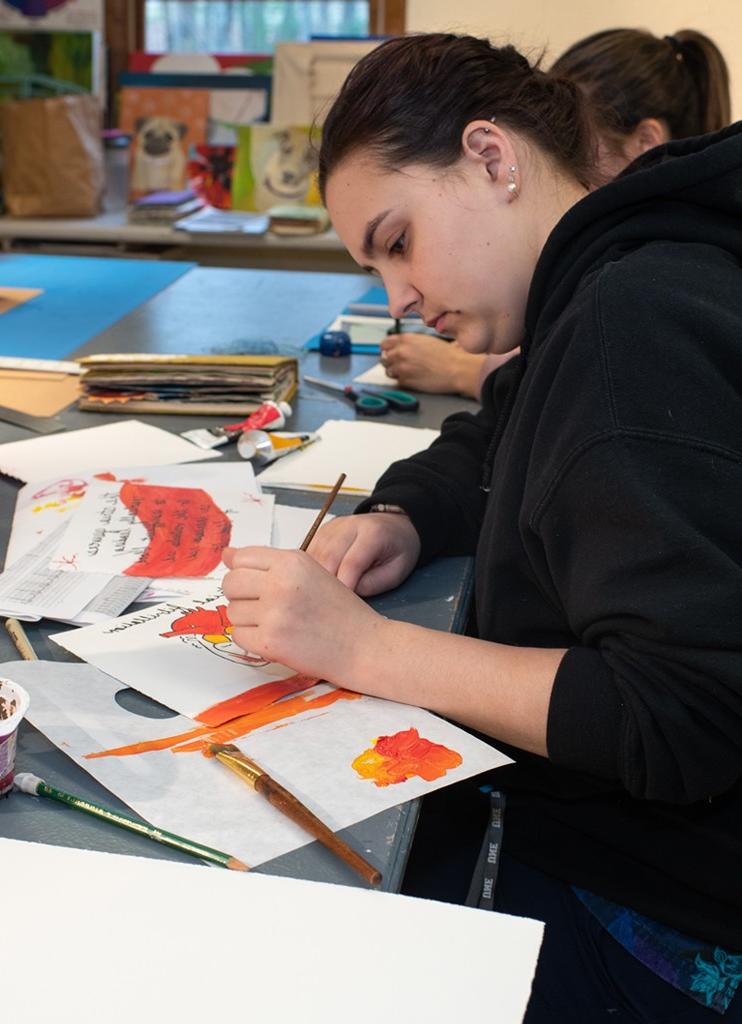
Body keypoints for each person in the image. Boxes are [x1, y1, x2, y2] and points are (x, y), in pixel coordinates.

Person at [222, 33, 742, 1021]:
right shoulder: (598, 278)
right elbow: (499, 428)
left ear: (490, 159)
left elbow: (681, 716)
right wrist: (406, 514)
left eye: (397, 240)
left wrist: (369, 648)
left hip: (670, 936)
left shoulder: (632, 322)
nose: (398, 299)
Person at [380, 27, 731, 399]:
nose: (559, 164)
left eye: (577, 143)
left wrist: (460, 372)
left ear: (645, 143)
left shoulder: (640, 298)